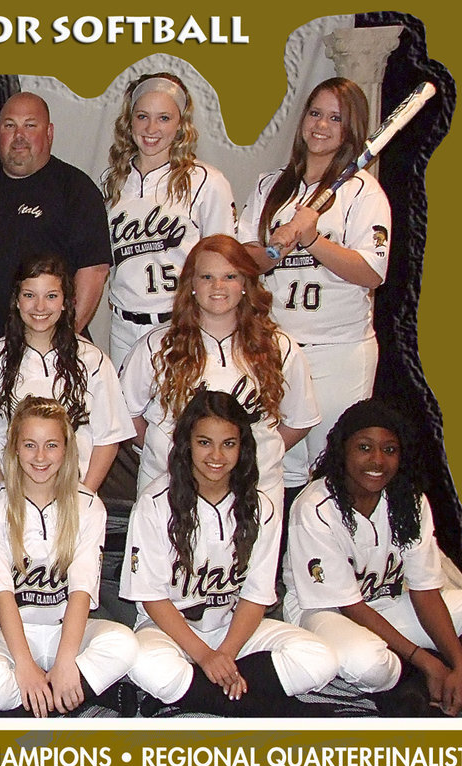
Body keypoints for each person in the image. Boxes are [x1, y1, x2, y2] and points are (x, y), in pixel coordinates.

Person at [120, 391, 338, 717]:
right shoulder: (155, 503)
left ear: (243, 447)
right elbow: (151, 599)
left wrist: (225, 653)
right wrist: (206, 656)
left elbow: (255, 597)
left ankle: (197, 696)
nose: (216, 455)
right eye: (204, 442)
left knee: (320, 659)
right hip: (169, 631)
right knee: (146, 665)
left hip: (231, 630)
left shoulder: (260, 506)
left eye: (229, 444)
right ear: (186, 444)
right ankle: (258, 705)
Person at [283, 399, 462, 716]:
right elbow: (350, 605)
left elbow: (425, 590)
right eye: (364, 447)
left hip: (388, 605)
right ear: (343, 451)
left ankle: (428, 681)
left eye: (390, 450)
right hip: (326, 613)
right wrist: (427, 662)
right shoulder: (314, 506)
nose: (378, 460)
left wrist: (460, 664)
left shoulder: (408, 500)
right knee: (368, 664)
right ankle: (413, 682)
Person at [237, 77, 391, 495]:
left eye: (335, 118)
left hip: (337, 351)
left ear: (351, 128)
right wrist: (273, 251)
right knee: (277, 469)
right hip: (276, 349)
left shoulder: (363, 192)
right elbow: (243, 259)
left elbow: (371, 273)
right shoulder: (272, 185)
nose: (321, 125)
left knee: (331, 470)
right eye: (315, 113)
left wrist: (312, 240)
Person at [0, 397, 138, 717]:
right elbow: (2, 594)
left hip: (66, 629)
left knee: (125, 644)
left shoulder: (88, 505)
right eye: (30, 444)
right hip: (11, 631)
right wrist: (27, 665)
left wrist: (66, 661)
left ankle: (39, 701)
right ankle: (72, 697)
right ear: (14, 447)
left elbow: (81, 592)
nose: (40, 457)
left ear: (67, 450)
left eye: (51, 445)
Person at [119, 234, 319, 511]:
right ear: (191, 284)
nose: (218, 286)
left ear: (245, 284)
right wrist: (165, 449)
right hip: (169, 485)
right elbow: (127, 414)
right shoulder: (157, 345)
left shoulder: (279, 347)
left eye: (230, 276)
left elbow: (299, 420)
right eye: (206, 277)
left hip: (252, 487)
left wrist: (254, 453)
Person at [0, 91, 112, 364]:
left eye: (30, 125)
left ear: (49, 132)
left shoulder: (75, 189)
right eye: (9, 125)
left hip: (48, 344)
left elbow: (94, 271)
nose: (19, 135)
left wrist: (61, 338)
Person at [0, 254, 133, 492]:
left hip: (74, 495)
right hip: (13, 497)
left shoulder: (93, 361)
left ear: (66, 301)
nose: (40, 307)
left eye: (51, 296)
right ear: (17, 300)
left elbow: (109, 438)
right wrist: (3, 489)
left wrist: (85, 497)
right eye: (29, 295)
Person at [100, 72, 237, 365]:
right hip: (124, 327)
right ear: (129, 121)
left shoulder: (206, 182)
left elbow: (225, 264)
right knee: (126, 411)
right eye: (142, 116)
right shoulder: (111, 183)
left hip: (182, 325)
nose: (151, 128)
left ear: (181, 124)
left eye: (164, 118)